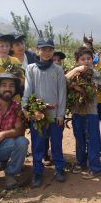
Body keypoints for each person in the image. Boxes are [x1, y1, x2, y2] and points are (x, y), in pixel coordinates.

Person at [22, 38, 67, 187]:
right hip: (38, 114)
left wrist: (60, 114)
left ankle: (59, 168)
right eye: (44, 49)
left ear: (53, 51)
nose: (47, 53)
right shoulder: (31, 68)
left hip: (54, 115)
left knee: (56, 143)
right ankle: (37, 171)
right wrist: (26, 107)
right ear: (37, 50)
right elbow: (28, 89)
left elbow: (62, 93)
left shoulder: (58, 70)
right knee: (38, 144)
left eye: (50, 50)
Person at [66, 47, 101, 179]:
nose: (86, 61)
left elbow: (91, 91)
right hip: (77, 112)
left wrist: (76, 87)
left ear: (92, 59)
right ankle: (81, 162)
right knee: (79, 138)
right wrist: (75, 71)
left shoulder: (96, 74)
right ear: (77, 61)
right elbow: (63, 81)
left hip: (91, 112)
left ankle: (95, 167)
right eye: (82, 59)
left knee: (92, 139)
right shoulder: (73, 73)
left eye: (88, 58)